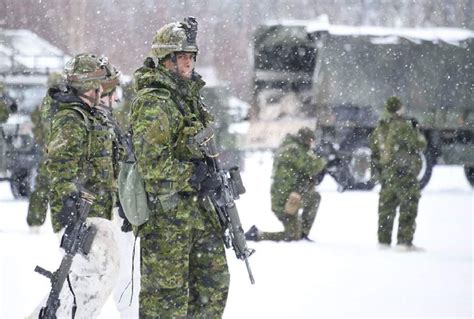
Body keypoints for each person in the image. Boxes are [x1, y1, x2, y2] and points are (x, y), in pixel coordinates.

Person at [130, 17, 230, 318]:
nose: (188, 63)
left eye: (191, 56)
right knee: (166, 301)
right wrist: (193, 176)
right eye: (181, 56)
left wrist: (210, 177)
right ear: (165, 61)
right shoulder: (155, 103)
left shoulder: (190, 99)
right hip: (167, 220)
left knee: (212, 289)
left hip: (200, 215)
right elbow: (152, 165)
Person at [30, 53, 125, 318]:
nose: (105, 93)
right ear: (88, 88)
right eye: (99, 87)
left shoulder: (91, 116)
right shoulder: (71, 119)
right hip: (80, 214)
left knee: (89, 280)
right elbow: (59, 165)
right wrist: (70, 201)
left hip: (95, 211)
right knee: (94, 276)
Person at [245, 127, 326, 242]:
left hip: (292, 196)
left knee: (314, 197)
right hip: (284, 201)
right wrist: (323, 160)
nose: (311, 144)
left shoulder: (297, 148)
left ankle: (302, 233)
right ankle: (257, 235)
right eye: (310, 141)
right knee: (292, 236)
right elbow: (310, 167)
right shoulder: (292, 150)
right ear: (305, 139)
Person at [369, 96, 426, 250]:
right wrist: (416, 130)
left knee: (386, 207)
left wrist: (379, 172)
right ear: (398, 109)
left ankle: (383, 241)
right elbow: (419, 144)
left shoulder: (379, 127)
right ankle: (404, 241)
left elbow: (374, 151)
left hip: (387, 173)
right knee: (409, 204)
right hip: (404, 172)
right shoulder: (403, 126)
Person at [26, 72, 63, 230]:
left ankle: (35, 222)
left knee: (43, 187)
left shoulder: (46, 103)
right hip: (56, 151)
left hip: (50, 151)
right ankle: (40, 222)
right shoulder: (61, 102)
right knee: (53, 188)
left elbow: (37, 125)